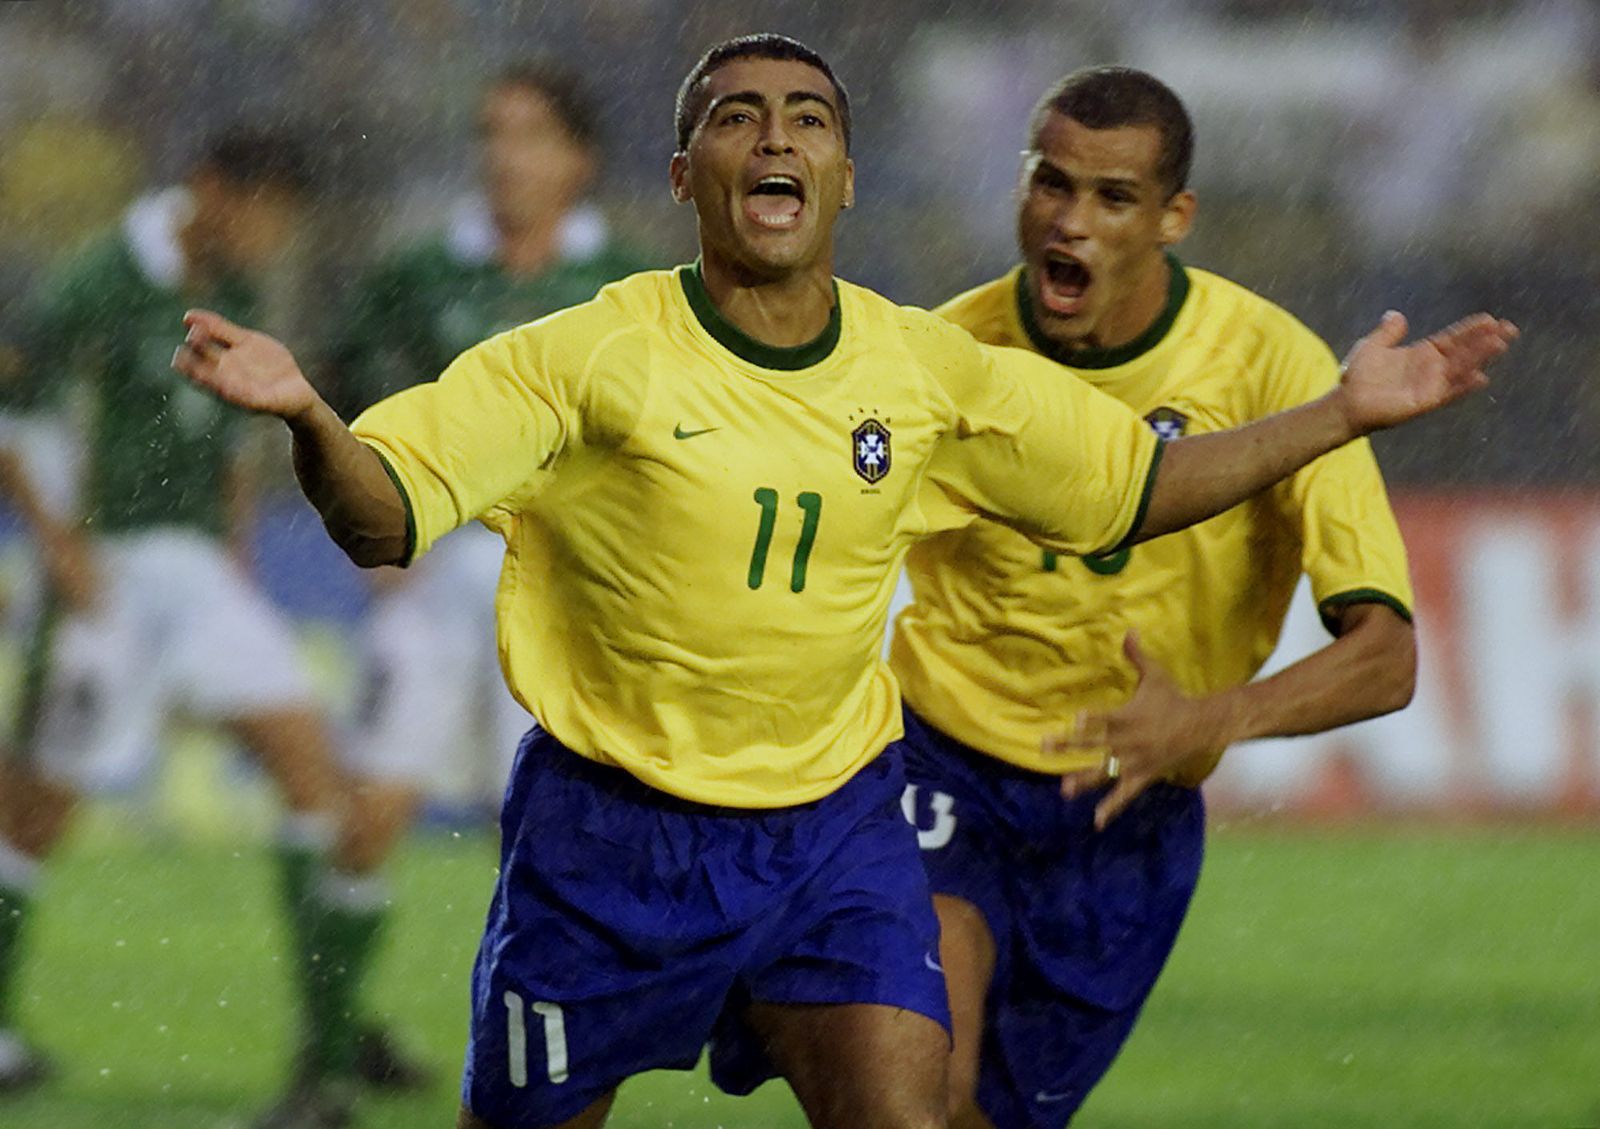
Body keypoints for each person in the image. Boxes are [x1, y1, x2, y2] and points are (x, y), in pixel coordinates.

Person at [172, 36, 1513, 1129]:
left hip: (838, 823)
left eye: (806, 117)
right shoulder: (584, 358)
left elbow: (1133, 488)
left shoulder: (924, 372)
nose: (775, 137)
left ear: (846, 176)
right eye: (739, 117)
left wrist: (1339, 417)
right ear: (685, 167)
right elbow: (385, 520)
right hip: (618, 834)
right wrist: (307, 418)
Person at [889, 67, 1431, 1129]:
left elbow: (1387, 655)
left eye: (1112, 197)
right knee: (910, 1092)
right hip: (937, 757)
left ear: (1173, 217)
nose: (1069, 220)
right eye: (1051, 183)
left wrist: (1209, 718)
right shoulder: (938, 358)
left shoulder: (1274, 369)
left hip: (1124, 813)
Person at [0, 129, 401, 1127]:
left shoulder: (244, 293)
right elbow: (16, 419)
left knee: (320, 781)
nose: (273, 235)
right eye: (263, 211)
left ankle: (326, 1056)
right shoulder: (99, 280)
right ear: (212, 191)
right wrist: (58, 549)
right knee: (34, 812)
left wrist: (238, 561)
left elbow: (233, 437)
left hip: (201, 578)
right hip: (107, 569)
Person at [329, 61, 652, 832]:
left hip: (565, 583)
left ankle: (520, 958)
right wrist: (370, 537)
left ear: (581, 160)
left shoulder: (630, 285)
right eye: (493, 135)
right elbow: (344, 397)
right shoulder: (422, 275)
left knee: (536, 826)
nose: (504, 157)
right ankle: (317, 959)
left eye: (531, 137)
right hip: (436, 568)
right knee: (367, 816)